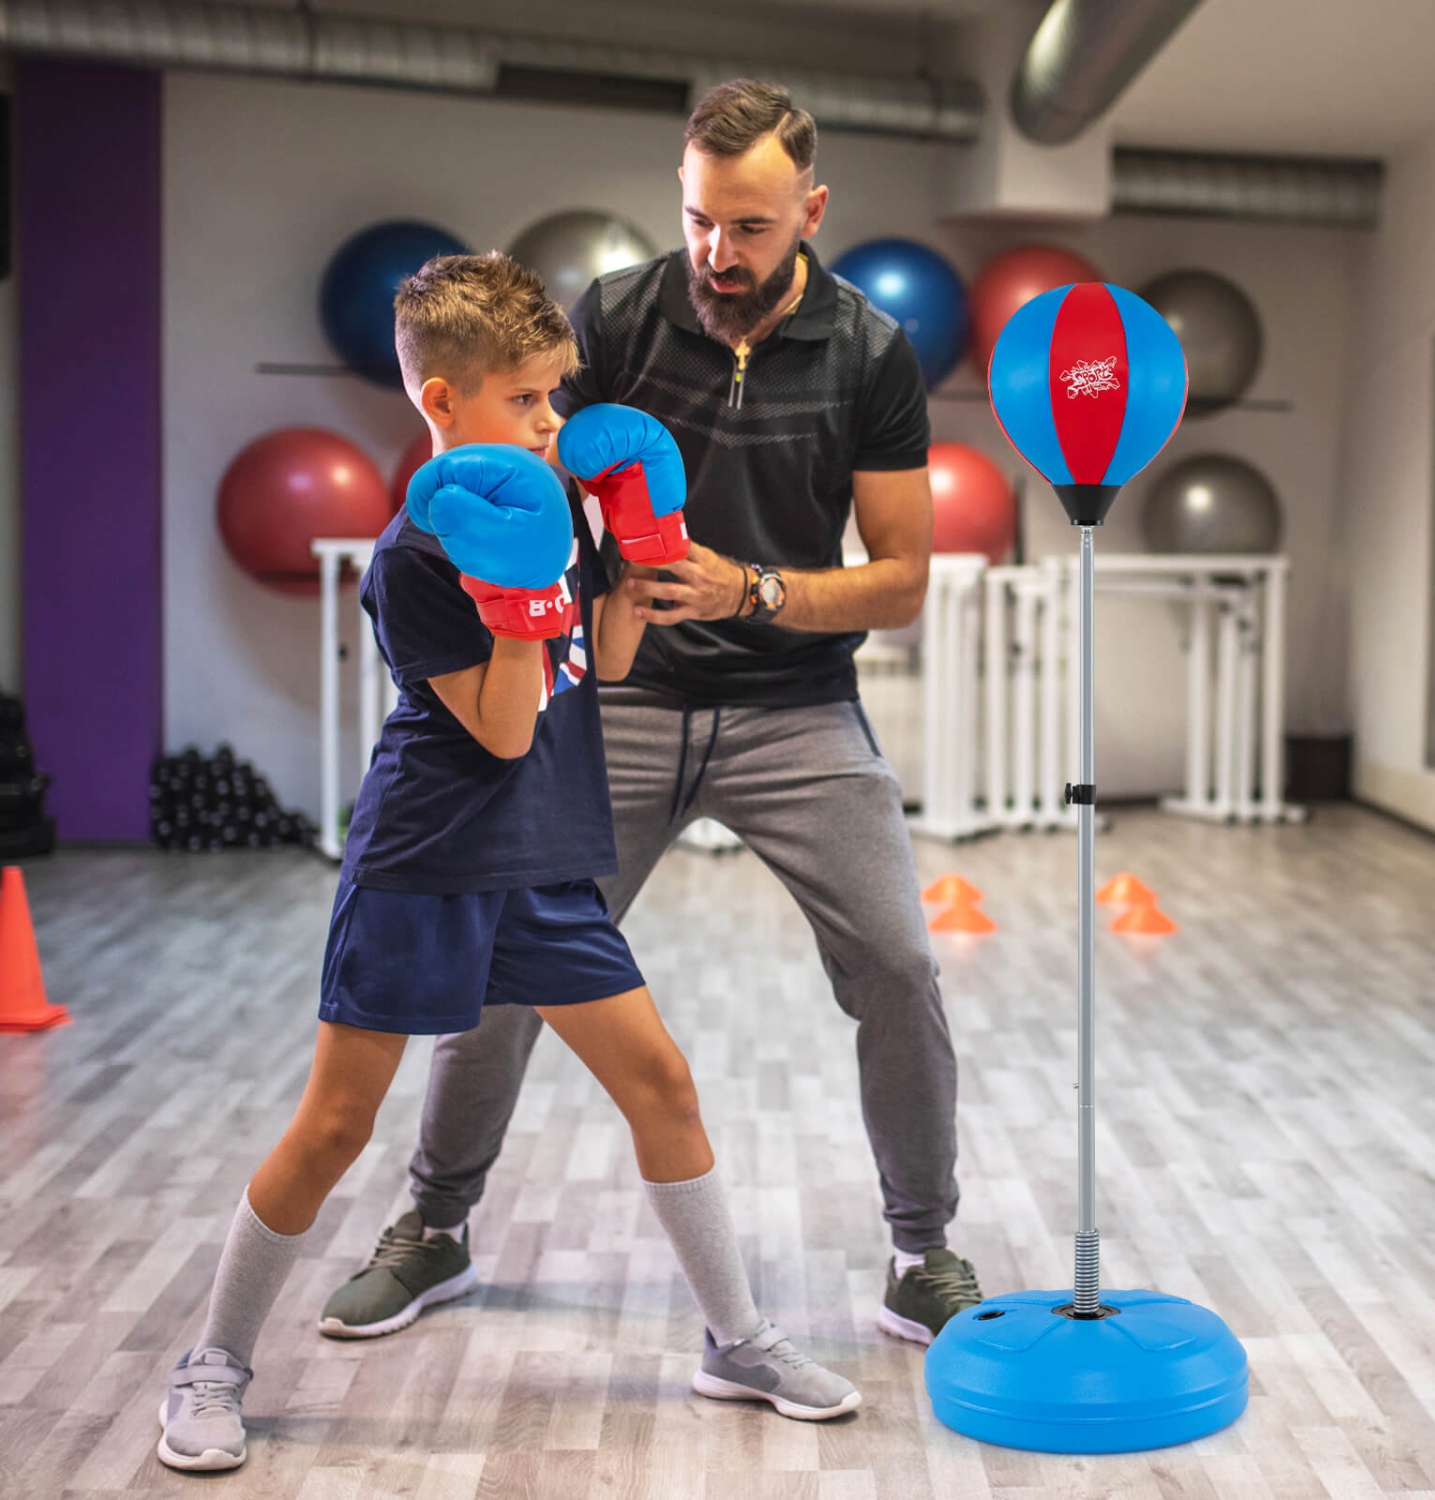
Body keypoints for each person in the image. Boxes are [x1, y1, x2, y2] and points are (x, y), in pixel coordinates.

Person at [154, 254, 859, 1474]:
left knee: (665, 1087)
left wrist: (639, 571)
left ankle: (735, 1339)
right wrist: (527, 601)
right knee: (335, 1126)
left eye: (554, 397)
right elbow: (496, 724)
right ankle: (209, 1364)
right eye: (527, 399)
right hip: (428, 860)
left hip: (542, 860)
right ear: (443, 403)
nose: (552, 422)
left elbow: (608, 670)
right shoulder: (420, 555)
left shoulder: (553, 510)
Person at [324, 78, 983, 1353]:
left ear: (812, 208)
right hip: (623, 696)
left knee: (899, 966)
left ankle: (922, 1249)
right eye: (696, 219)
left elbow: (900, 579)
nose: (715, 252)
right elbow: (515, 468)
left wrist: (755, 587)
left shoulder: (871, 353)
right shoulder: (619, 314)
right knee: (508, 966)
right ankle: (435, 1226)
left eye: (746, 226)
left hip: (796, 709)